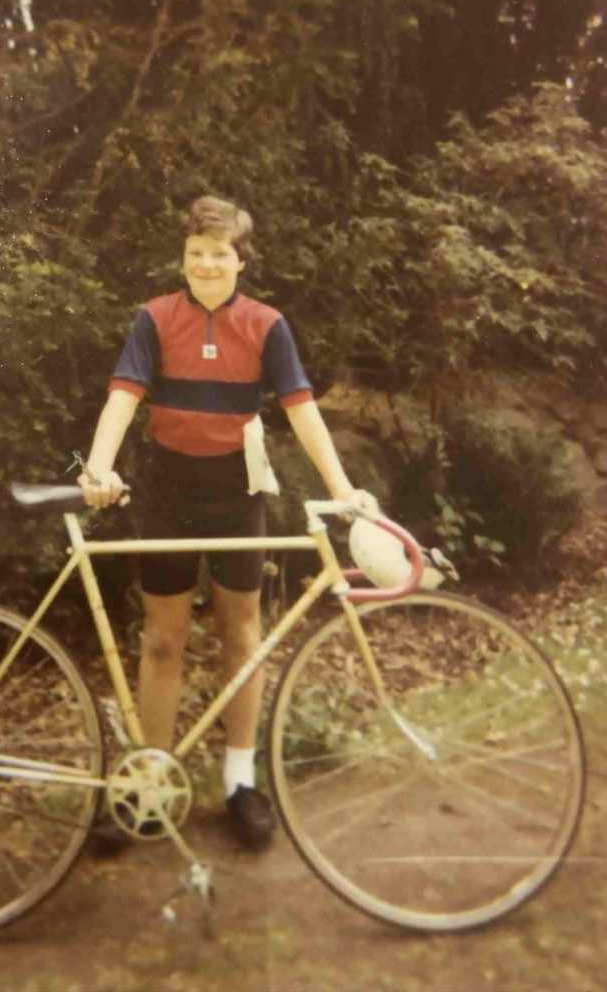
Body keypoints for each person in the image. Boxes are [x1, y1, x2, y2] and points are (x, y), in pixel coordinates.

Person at [79, 195, 369, 850]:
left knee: (242, 631)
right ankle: (150, 781)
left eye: (218, 254)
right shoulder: (153, 318)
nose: (206, 265)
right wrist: (99, 467)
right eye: (195, 255)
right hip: (168, 491)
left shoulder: (267, 326)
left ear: (240, 260)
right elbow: (123, 396)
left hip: (239, 490)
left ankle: (241, 780)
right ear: (183, 259)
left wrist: (342, 487)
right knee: (162, 638)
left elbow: (301, 412)